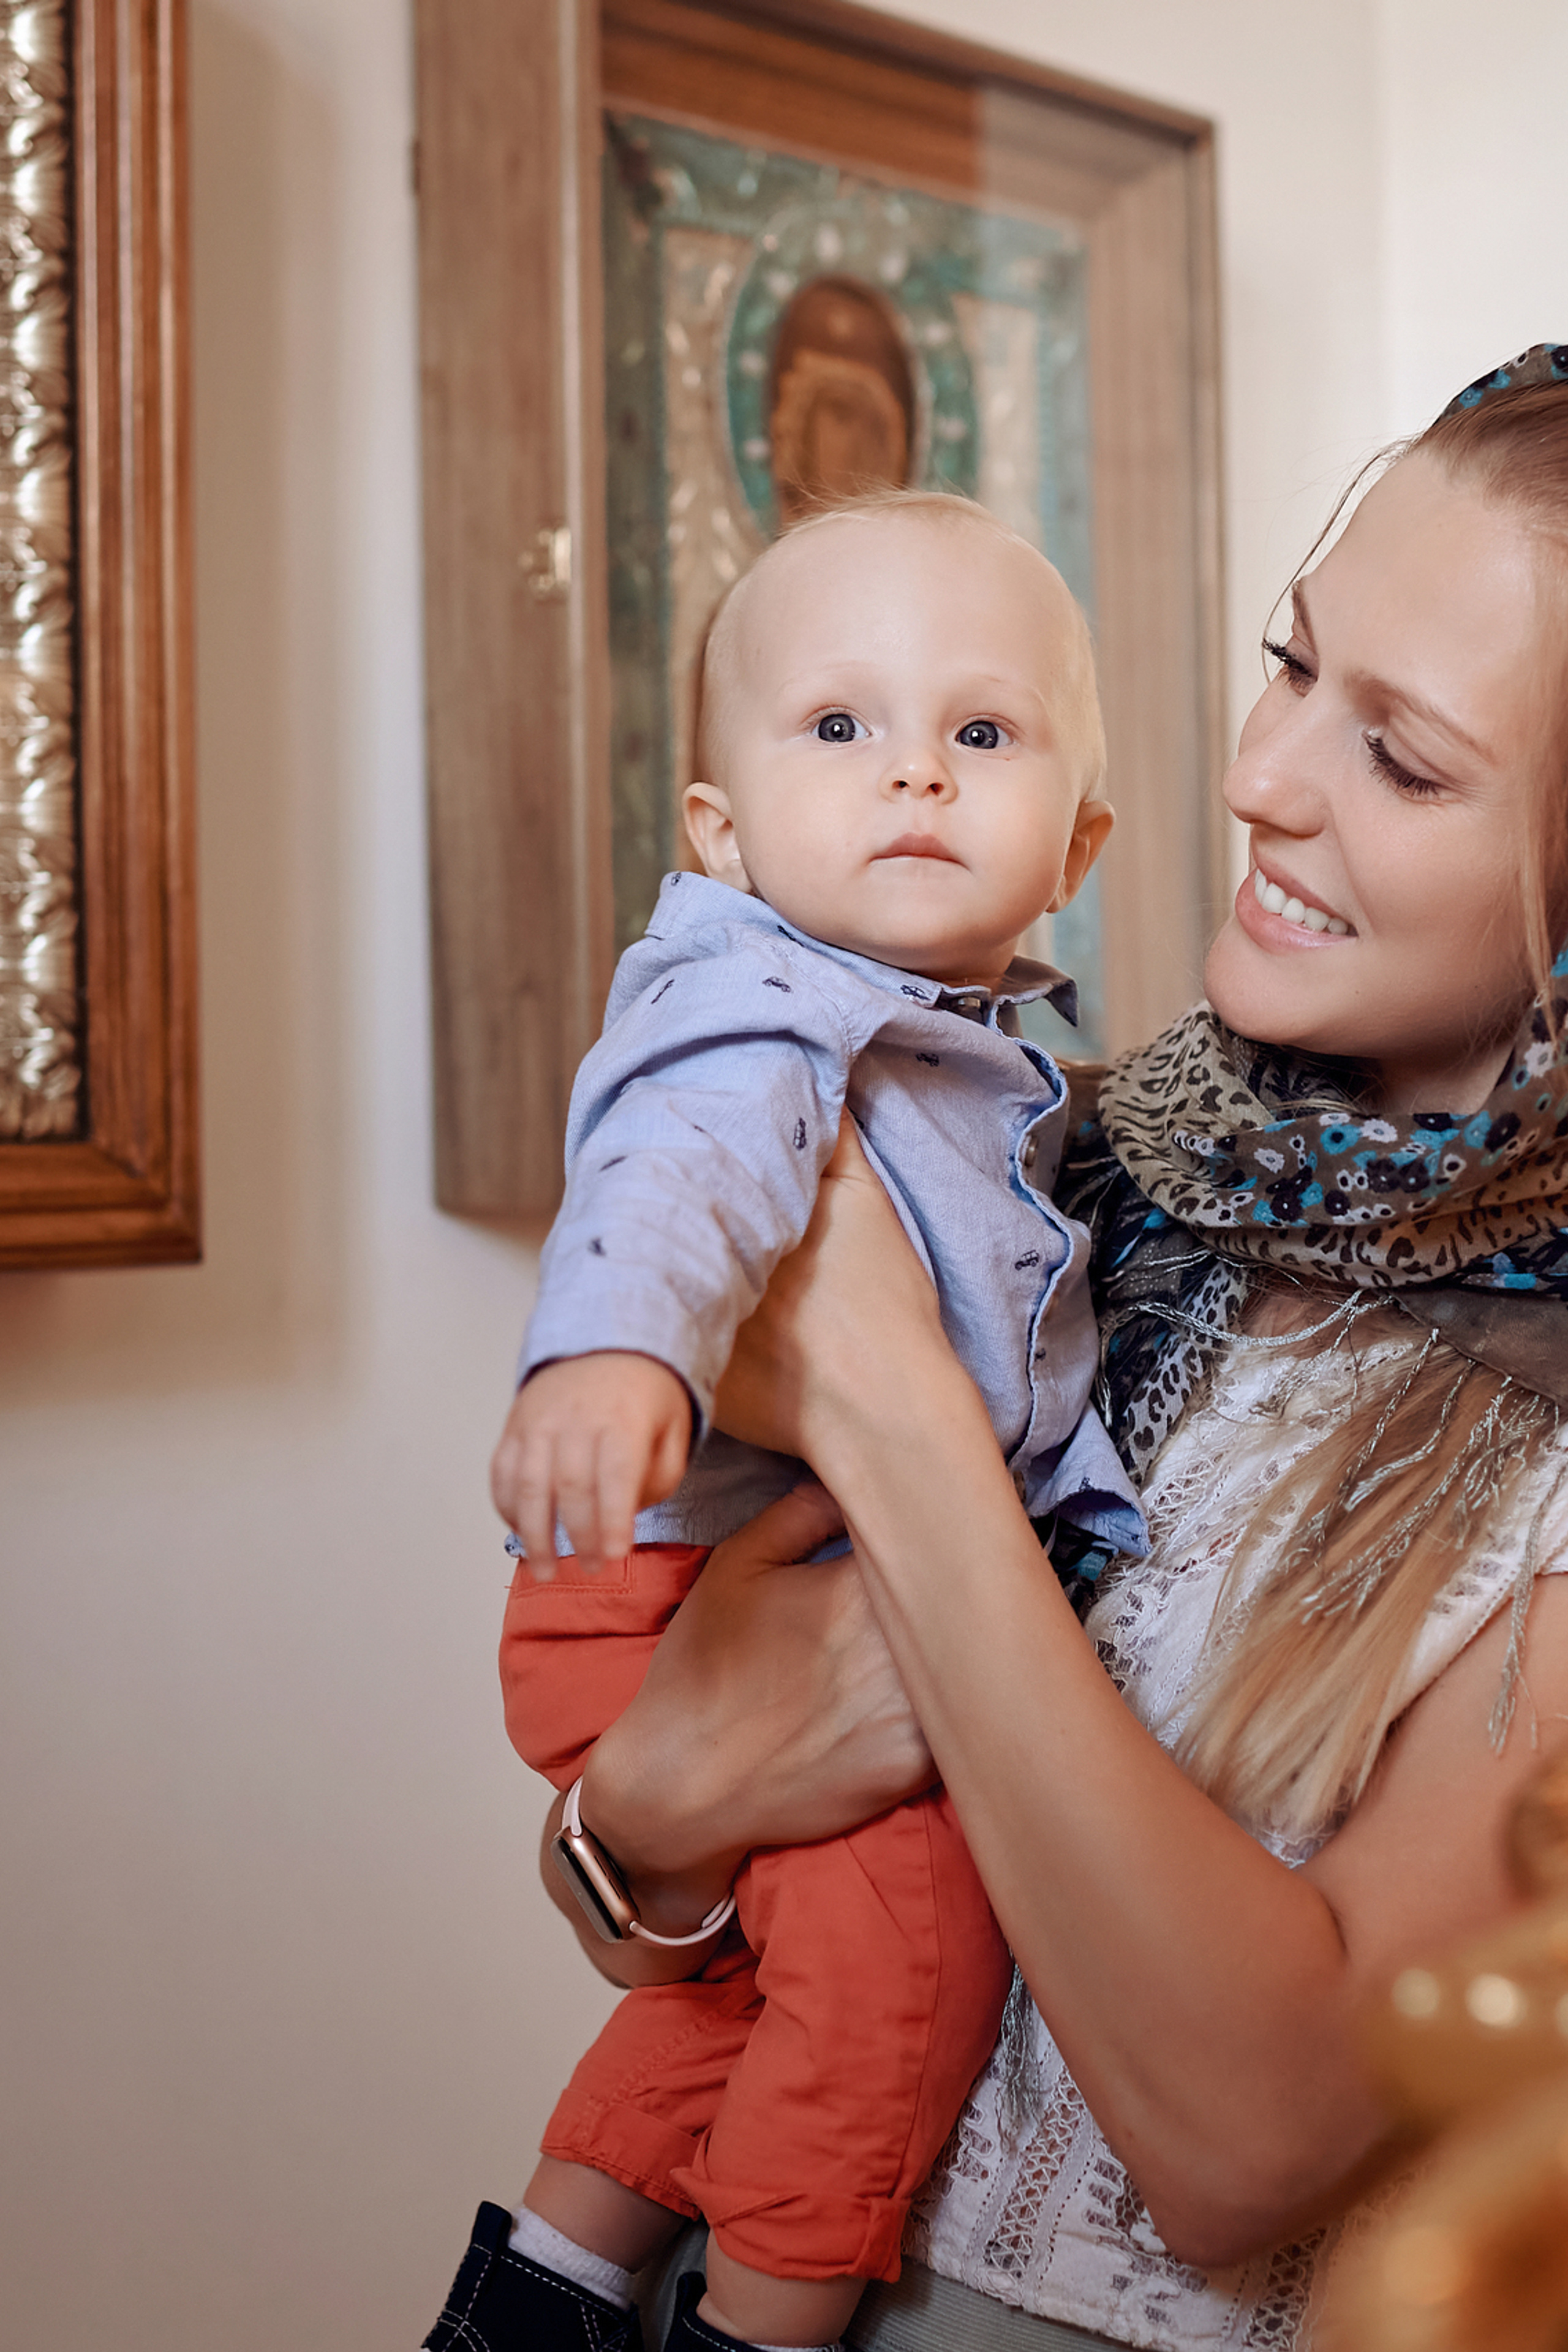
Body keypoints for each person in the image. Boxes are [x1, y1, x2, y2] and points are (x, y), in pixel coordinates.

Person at [430, 348, 1568, 2352]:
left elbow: (1245, 2137)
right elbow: (652, 1902)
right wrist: (662, 1806)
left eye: (1401, 757)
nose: (1264, 779)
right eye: (1294, 666)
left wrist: (888, 1409)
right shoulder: (1067, 1160)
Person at [427, 496, 1144, 2352]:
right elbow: (679, 1174)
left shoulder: (982, 1058)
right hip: (687, 1590)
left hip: (696, 1616)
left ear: (1074, 843)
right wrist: (622, 1357)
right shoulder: (768, 1005)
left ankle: (556, 2281)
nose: (912, 770)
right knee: (911, 1964)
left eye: (978, 735)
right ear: (722, 836)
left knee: (741, 1989)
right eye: (840, 728)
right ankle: (765, 2330)